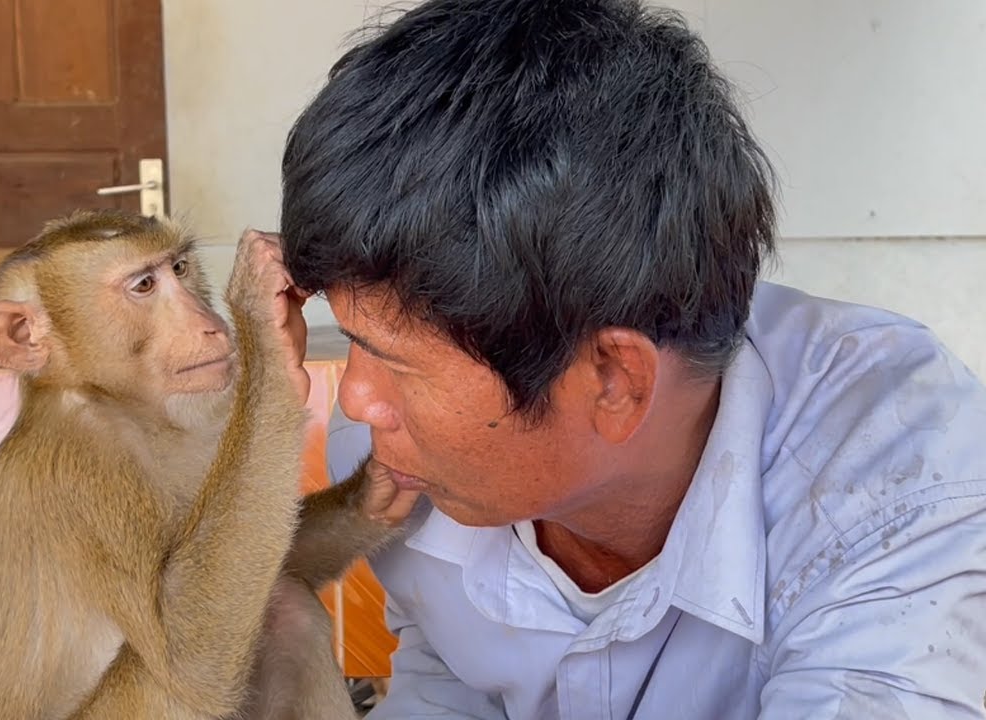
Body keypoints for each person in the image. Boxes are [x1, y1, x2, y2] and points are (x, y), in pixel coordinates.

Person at [256, 0, 986, 717]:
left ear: (613, 380)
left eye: (397, 363)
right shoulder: (407, 470)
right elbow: (456, 675)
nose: (357, 402)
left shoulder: (902, 485)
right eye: (353, 341)